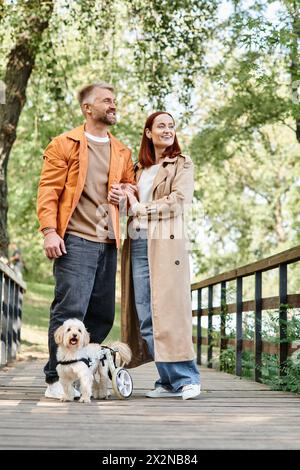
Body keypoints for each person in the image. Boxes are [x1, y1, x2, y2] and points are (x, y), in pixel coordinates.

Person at [37, 82, 135, 399]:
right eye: (107, 100)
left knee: (102, 314)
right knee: (70, 310)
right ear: (87, 108)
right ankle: (56, 378)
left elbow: (132, 188)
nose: (113, 104)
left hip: (108, 241)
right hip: (75, 239)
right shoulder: (64, 144)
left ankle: (80, 371)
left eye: (114, 100)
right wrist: (49, 231)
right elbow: (48, 191)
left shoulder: (121, 150)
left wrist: (126, 193)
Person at [120, 111, 201, 400]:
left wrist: (141, 208)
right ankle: (168, 381)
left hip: (166, 246)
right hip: (138, 242)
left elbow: (179, 201)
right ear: (148, 132)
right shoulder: (138, 170)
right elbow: (127, 208)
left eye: (171, 126)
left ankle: (187, 377)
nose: (167, 130)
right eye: (161, 126)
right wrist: (122, 199)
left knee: (170, 312)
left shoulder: (181, 163)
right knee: (146, 314)